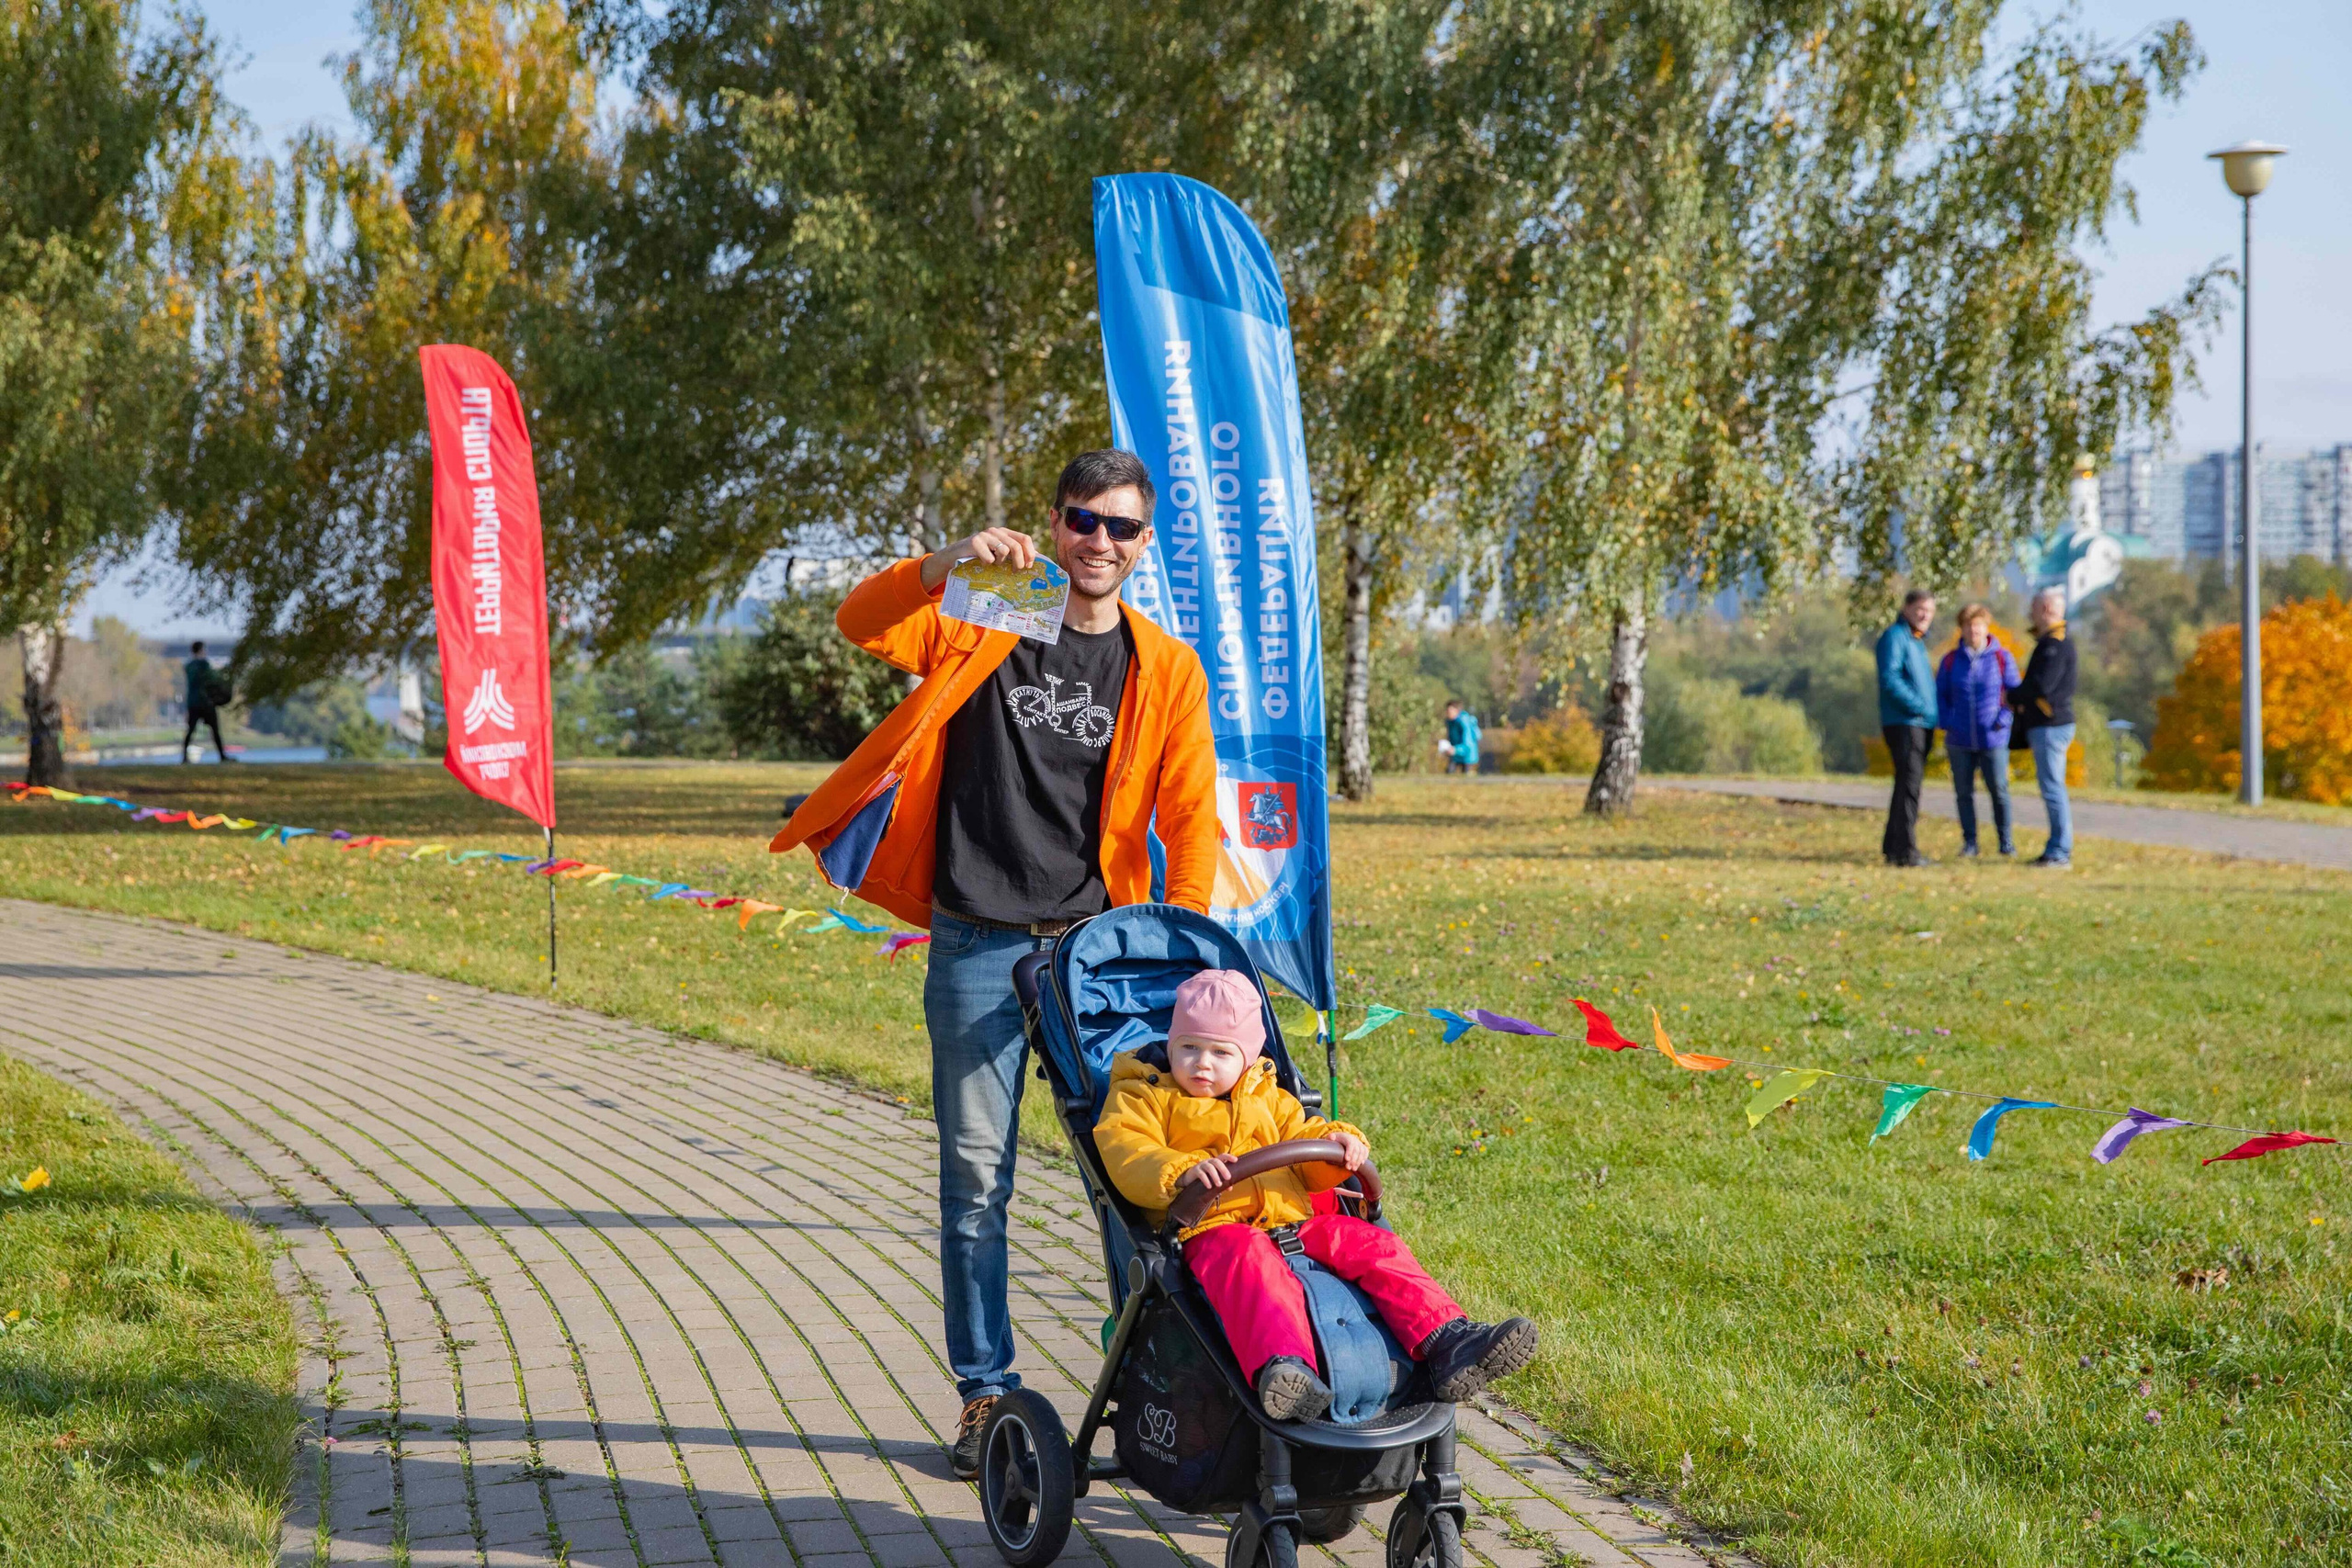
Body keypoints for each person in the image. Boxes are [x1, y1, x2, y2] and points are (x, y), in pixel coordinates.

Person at [769, 449, 1218, 1479]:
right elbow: (860, 623)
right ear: (1053, 526)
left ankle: (1149, 1387)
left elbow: (1189, 820)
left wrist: (1173, 946)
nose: (1097, 541)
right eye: (1080, 520)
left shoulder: (1167, 669)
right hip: (974, 938)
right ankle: (983, 1393)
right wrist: (944, 560)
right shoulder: (993, 607)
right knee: (976, 1179)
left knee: (1128, 1180)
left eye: (1119, 527)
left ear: (1144, 546)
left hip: (1092, 957)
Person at [1094, 969, 1539, 1420]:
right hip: (1210, 1230)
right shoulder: (1145, 1094)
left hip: (1295, 1223)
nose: (1202, 1063)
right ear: (1170, 1046)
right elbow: (1126, 1150)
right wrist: (1181, 1169)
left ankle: (1448, 1338)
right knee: (1250, 1261)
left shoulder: (1272, 1099)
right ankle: (1287, 1369)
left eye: (1220, 1052)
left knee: (1371, 1241)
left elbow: (1308, 1141)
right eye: (1188, 1047)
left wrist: (1339, 1143)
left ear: (1247, 1057)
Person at [1935, 604, 2020, 858]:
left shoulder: (2002, 658)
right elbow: (1941, 695)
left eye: (1979, 624)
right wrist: (1947, 721)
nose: (1974, 630)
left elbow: (2014, 694)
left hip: (1992, 738)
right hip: (1959, 739)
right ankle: (1970, 842)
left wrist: (2002, 720)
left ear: (1987, 627)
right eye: (1969, 625)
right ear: (1961, 628)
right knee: (1963, 793)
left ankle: (2006, 842)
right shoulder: (1950, 661)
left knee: (1999, 789)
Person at [2011, 586, 2079, 868]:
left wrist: (2011, 696)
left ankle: (2060, 851)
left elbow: (2041, 686)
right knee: (2053, 787)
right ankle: (2057, 847)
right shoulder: (2052, 640)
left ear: (2047, 609)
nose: (2030, 613)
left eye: (2034, 607)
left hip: (2050, 725)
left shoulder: (2055, 644)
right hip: (2048, 725)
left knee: (2052, 788)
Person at [1874, 588, 1938, 866]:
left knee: (1906, 785)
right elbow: (1890, 679)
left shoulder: (1916, 641)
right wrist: (1920, 707)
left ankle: (1893, 846)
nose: (1925, 615)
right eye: (1920, 609)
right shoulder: (1895, 637)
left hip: (1921, 723)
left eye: (1930, 611)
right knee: (1909, 787)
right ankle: (1906, 852)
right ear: (1906, 609)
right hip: (1905, 723)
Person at [181, 641, 232, 763]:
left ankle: (184, 757)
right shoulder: (204, 665)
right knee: (214, 730)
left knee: (190, 730)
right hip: (205, 702)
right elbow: (213, 679)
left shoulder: (188, 666)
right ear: (201, 650)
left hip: (192, 702)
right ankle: (222, 756)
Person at [1441, 700, 1480, 774]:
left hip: (1467, 756)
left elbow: (1468, 744)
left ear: (1456, 711)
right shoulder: (1450, 723)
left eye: (1449, 711)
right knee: (1449, 773)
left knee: (1466, 779)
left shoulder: (1464, 723)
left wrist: (1455, 750)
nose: (1447, 713)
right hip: (1455, 754)